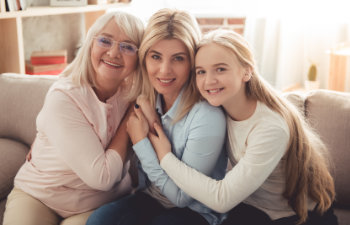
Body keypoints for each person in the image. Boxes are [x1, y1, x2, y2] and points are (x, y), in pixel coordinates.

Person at [148, 29, 338, 225]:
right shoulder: (218, 107)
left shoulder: (270, 127)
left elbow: (221, 199)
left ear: (246, 71)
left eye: (220, 69)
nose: (208, 80)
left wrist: (165, 157)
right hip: (253, 208)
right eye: (201, 71)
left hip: (298, 216)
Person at [86, 8, 227, 225]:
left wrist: (142, 141)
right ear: (144, 59)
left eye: (178, 59)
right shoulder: (144, 99)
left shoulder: (206, 117)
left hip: (194, 211)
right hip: (150, 199)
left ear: (192, 62)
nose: (164, 70)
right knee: (99, 221)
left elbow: (181, 198)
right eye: (155, 56)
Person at [3, 11, 144, 225]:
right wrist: (129, 120)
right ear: (90, 44)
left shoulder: (135, 95)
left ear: (139, 57)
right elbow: (102, 175)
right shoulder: (64, 97)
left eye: (128, 46)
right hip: (40, 196)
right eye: (105, 40)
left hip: (100, 203)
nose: (114, 52)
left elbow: (103, 181)